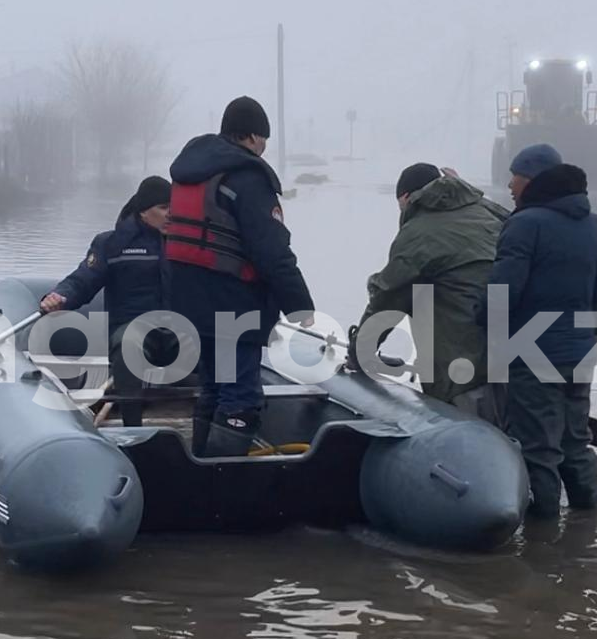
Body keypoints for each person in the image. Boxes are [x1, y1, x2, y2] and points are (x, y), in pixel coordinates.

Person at [166, 96, 315, 456]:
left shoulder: (193, 171)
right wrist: (300, 306)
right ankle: (223, 482)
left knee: (214, 386)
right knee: (240, 396)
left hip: (189, 302)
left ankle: (200, 463)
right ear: (251, 137)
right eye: (263, 139)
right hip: (233, 303)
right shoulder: (248, 178)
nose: (264, 147)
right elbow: (272, 250)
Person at [482, 143, 597, 519]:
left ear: (534, 180)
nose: (509, 185)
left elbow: (503, 290)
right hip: (579, 353)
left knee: (538, 449)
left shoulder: (525, 224)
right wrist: (590, 337)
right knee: (576, 444)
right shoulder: (593, 223)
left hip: (533, 353)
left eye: (516, 177)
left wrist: (483, 324)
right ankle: (587, 525)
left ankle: (544, 539)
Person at [348, 163, 507, 423]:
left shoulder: (418, 233)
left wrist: (360, 353)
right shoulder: (487, 212)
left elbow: (388, 299)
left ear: (406, 198)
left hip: (463, 369)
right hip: (519, 359)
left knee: (467, 445)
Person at [40, 175, 175, 427]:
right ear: (144, 211)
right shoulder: (111, 244)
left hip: (176, 328)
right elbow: (83, 280)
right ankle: (132, 427)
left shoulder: (185, 243)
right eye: (163, 208)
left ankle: (216, 426)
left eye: (174, 208)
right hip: (132, 327)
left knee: (215, 344)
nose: (171, 214)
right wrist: (60, 296)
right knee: (129, 347)